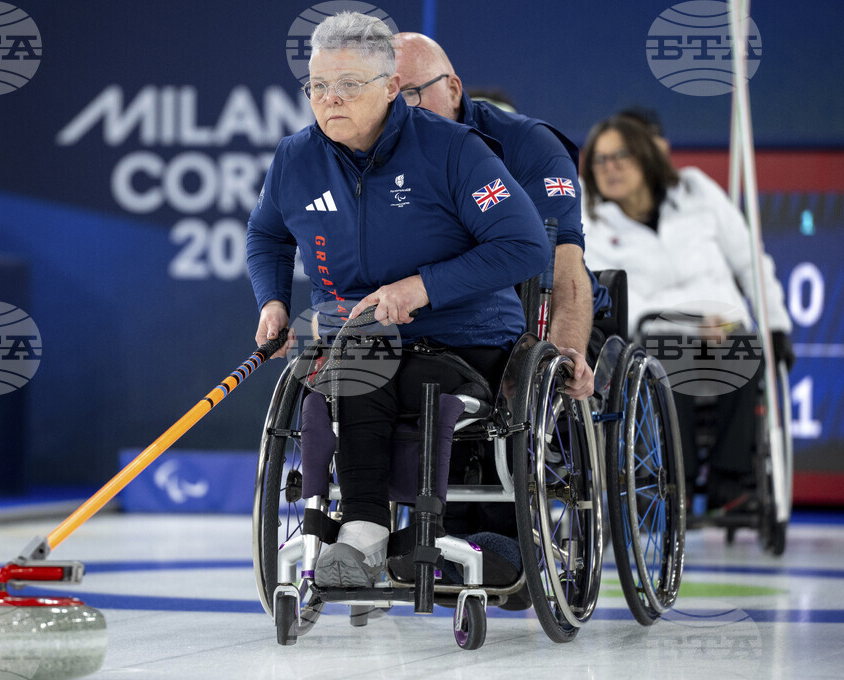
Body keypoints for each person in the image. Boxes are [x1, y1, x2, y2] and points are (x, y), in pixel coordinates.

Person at [247, 12, 549, 587]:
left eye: (349, 85)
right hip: (361, 338)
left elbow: (526, 245)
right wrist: (274, 301)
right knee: (361, 354)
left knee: (368, 361)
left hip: (465, 340)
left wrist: (423, 287)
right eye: (318, 86)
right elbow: (266, 234)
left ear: (391, 87)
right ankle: (365, 534)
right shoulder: (296, 158)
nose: (330, 99)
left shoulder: (455, 150)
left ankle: (363, 533)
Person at [580, 113, 794, 508]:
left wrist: (776, 324)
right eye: (599, 159)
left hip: (723, 329)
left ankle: (729, 482)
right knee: (664, 357)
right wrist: (690, 322)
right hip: (652, 337)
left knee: (746, 348)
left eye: (620, 156)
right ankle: (674, 478)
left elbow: (750, 261)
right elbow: (608, 291)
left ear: (645, 156)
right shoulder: (590, 218)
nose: (609, 168)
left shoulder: (697, 190)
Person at [393, 31, 612, 400]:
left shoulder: (532, 147)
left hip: (538, 315)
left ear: (453, 89)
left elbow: (563, 269)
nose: (400, 112)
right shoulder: (377, 149)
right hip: (446, 320)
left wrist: (557, 359)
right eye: (387, 97)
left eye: (411, 94)